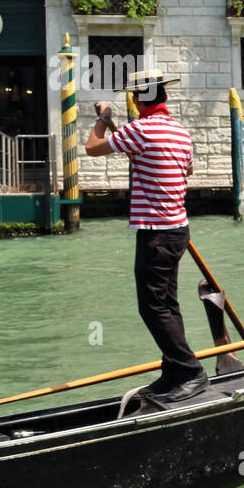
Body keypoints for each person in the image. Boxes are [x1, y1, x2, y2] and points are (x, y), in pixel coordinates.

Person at [84, 69, 207, 403]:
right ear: (164, 97)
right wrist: (136, 145)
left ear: (137, 100)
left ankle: (190, 371)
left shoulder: (140, 129)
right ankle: (173, 371)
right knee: (166, 303)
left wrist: (104, 118)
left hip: (155, 232)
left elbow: (92, 147)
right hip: (177, 231)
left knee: (152, 307)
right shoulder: (179, 132)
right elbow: (187, 169)